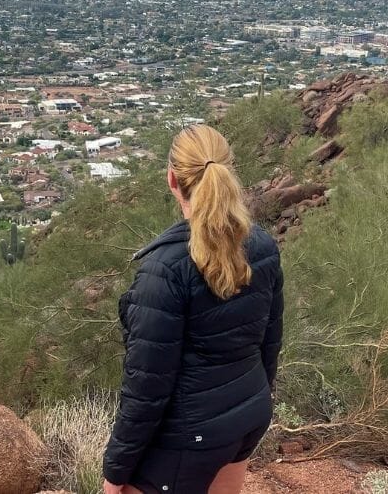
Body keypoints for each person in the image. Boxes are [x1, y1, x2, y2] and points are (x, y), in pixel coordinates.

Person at [103, 124, 284, 494]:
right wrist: (256, 400)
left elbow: (147, 388)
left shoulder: (164, 271)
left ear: (172, 179)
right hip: (246, 415)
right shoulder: (262, 245)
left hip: (190, 437)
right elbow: (270, 342)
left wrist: (115, 472)